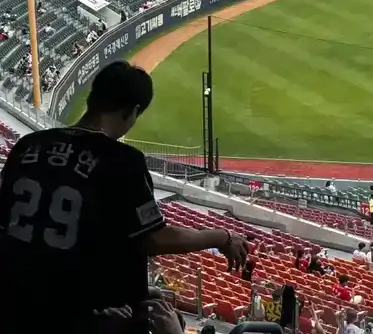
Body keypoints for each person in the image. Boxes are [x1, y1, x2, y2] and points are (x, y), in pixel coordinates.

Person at [0, 61, 248, 328]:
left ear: (93, 97)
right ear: (132, 112)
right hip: (80, 316)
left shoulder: (28, 145)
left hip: (14, 306)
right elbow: (153, 238)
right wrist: (222, 236)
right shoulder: (123, 160)